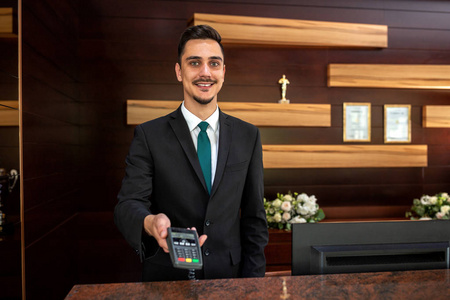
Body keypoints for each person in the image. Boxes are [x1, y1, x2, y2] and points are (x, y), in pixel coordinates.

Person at [114, 24, 268, 282]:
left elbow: (254, 218)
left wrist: (253, 285)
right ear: (179, 71)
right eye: (194, 63)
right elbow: (128, 204)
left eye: (214, 63)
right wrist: (150, 222)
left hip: (230, 279)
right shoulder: (149, 135)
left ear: (223, 72)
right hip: (168, 279)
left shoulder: (248, 135)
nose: (205, 73)